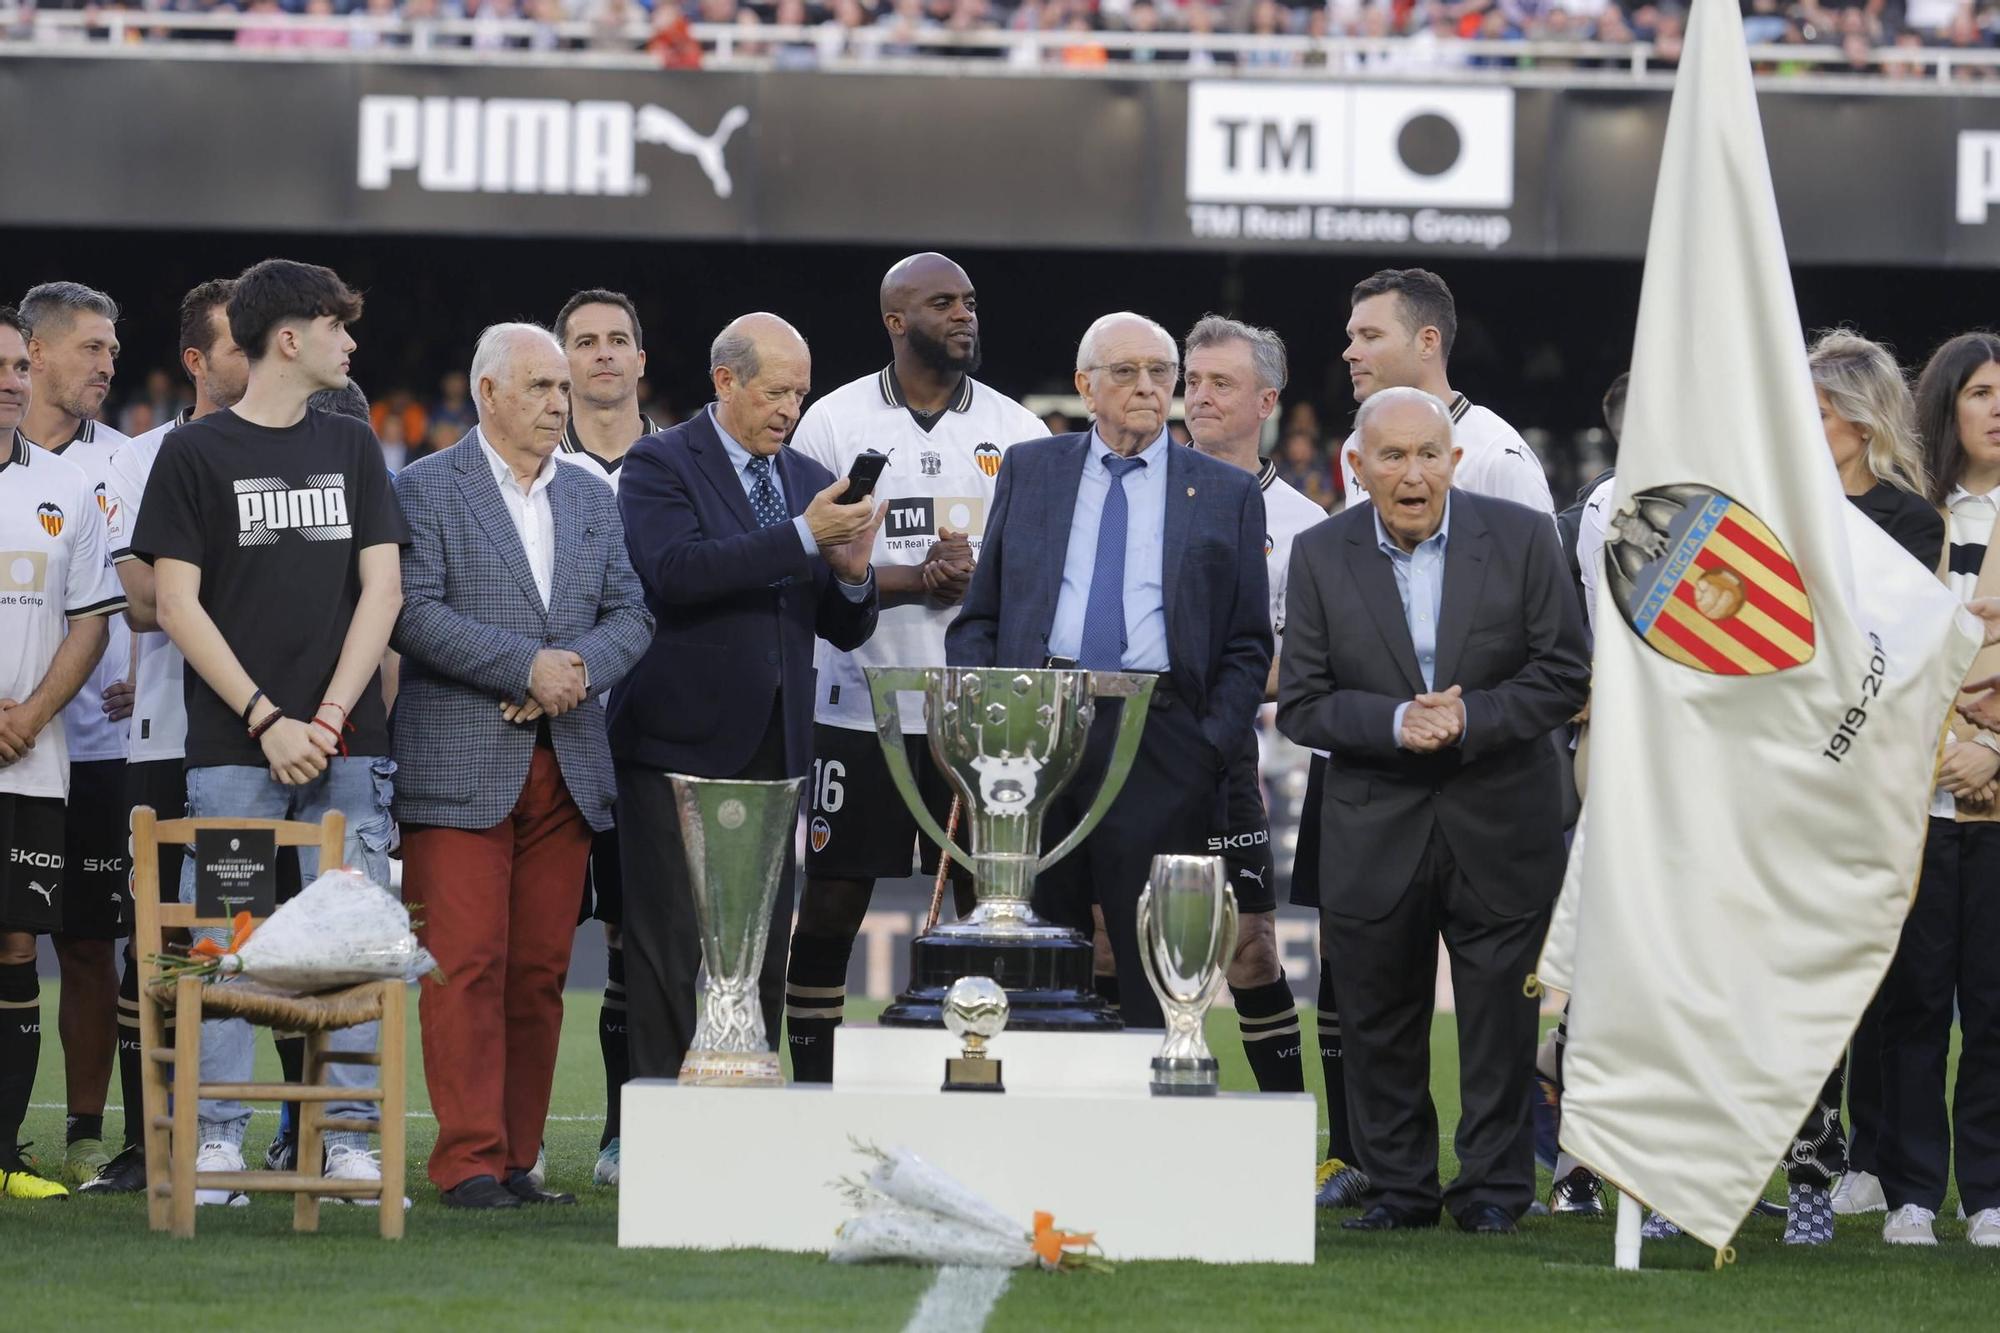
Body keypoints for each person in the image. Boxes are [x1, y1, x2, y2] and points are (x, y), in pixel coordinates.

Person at [130, 258, 409, 1204]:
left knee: (353, 947)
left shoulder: (354, 445)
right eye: (338, 326)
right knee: (223, 938)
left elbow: (384, 590)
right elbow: (175, 602)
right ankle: (214, 1141)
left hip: (347, 741)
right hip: (234, 746)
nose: (351, 342)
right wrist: (265, 718)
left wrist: (325, 718)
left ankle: (350, 1141)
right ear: (289, 338)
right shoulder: (193, 454)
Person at [1277, 387, 1589, 1234]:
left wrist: (1470, 716)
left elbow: (1565, 672)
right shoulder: (1318, 554)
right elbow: (1303, 703)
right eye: (1392, 456)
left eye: (1427, 455)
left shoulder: (1525, 539)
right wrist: (1392, 721)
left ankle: (1492, 1190)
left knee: (1497, 1019)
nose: (1412, 474)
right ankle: (1400, 1189)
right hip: (1374, 825)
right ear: (1358, 466)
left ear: (1453, 460)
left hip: (1502, 821)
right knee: (1379, 1019)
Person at [945, 311, 1271, 1032]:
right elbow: (981, 616)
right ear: (1085, 386)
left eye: (1161, 372)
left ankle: (1152, 1123)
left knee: (1152, 962)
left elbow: (1248, 645)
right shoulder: (1032, 470)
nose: (1148, 387)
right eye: (1126, 372)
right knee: (1038, 955)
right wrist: (984, 719)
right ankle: (1036, 1121)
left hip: (1161, 737)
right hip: (1037, 728)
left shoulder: (1225, 493)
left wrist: (1205, 745)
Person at [392, 324, 650, 1210]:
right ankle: (465, 1160)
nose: (557, 402)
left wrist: (565, 674)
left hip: (567, 763)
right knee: (463, 963)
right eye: (540, 386)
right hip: (457, 763)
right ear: (488, 393)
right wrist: (523, 666)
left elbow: (633, 616)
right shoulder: (423, 488)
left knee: (540, 971)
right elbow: (411, 615)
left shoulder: (590, 498)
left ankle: (516, 1158)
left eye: (562, 389)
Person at [782, 253, 1046, 1084]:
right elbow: (804, 557)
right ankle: (815, 1089)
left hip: (978, 719)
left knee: (985, 915)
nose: (964, 315)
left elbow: (1037, 571)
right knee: (830, 907)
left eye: (969, 301)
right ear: (897, 321)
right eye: (942, 303)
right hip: (856, 705)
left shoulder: (1020, 432)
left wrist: (978, 580)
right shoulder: (833, 420)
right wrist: (913, 578)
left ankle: (978, 1077)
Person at [610, 313, 881, 1081]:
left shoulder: (803, 479)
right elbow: (676, 571)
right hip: (675, 742)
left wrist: (854, 571)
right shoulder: (658, 461)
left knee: (761, 944)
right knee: (667, 946)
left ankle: (750, 1105)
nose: (791, 409)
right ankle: (657, 1121)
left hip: (780, 741)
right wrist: (803, 535)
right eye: (777, 391)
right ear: (725, 381)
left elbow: (840, 624)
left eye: (800, 393)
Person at [82, 278, 250, 1195]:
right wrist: (268, 586)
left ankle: (251, 1129)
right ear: (196, 360)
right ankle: (151, 1138)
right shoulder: (140, 461)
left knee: (243, 938)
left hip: (256, 741)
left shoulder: (294, 450)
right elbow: (143, 602)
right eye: (239, 342)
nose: (260, 354)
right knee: (154, 943)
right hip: (163, 733)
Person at [1809, 331, 1943, 1231]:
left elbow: (1892, 649)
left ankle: (1881, 1167)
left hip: (1872, 768)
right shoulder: (1781, 508)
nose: (1805, 427)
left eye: (1817, 413)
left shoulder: (1910, 521)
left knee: (1895, 981)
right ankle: (1822, 1162)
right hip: (1789, 770)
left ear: (1859, 423)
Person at [1871, 332, 2000, 1249]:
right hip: (1911, 804)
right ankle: (1911, 1186)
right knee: (1912, 1000)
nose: (1999, 408)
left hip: (1994, 800)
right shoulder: (1910, 516)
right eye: (1983, 391)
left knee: (1992, 1003)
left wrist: (1995, 748)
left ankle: (1988, 1190)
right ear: (1946, 404)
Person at [1181, 313, 1324, 1095]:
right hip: (1138, 744)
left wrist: (1216, 682)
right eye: (1192, 382)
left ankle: (1284, 1127)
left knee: (1253, 948)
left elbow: (1304, 660)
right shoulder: (1141, 492)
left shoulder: (1307, 528)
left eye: (1221, 383)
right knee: (1109, 938)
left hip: (1229, 754)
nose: (1198, 397)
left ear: (1265, 399)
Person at [0, 305, 125, 1202]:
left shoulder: (70, 486)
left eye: (13, 366)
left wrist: (32, 712)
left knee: (19, 942)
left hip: (36, 755)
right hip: (30, 739)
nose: (8, 379)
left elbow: (92, 619)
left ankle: (8, 1157)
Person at [551, 287, 660, 1187]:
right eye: (584, 342)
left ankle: (627, 1131)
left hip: (661, 738)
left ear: (641, 358)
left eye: (618, 340)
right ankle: (512, 1138)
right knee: (546, 937)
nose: (602, 356)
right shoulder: (533, 468)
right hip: (555, 731)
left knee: (640, 938)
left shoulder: (683, 464)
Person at [1337, 268, 1553, 517]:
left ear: (1427, 342)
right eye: (1352, 337)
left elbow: (1541, 555)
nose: (1349, 352)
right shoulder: (1357, 445)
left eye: (1371, 336)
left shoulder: (1496, 454)